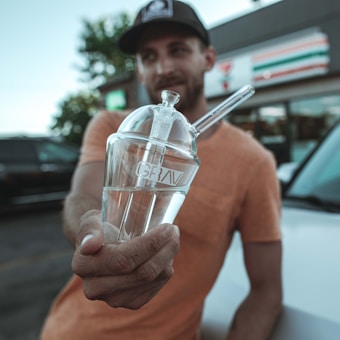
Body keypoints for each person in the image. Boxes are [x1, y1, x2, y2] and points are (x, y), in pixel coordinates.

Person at [41, 0, 282, 339]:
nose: (163, 67)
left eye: (178, 50)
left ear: (208, 59)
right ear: (138, 69)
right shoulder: (112, 126)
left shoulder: (254, 161)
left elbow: (267, 290)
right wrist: (88, 232)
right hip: (71, 331)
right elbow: (83, 195)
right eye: (149, 56)